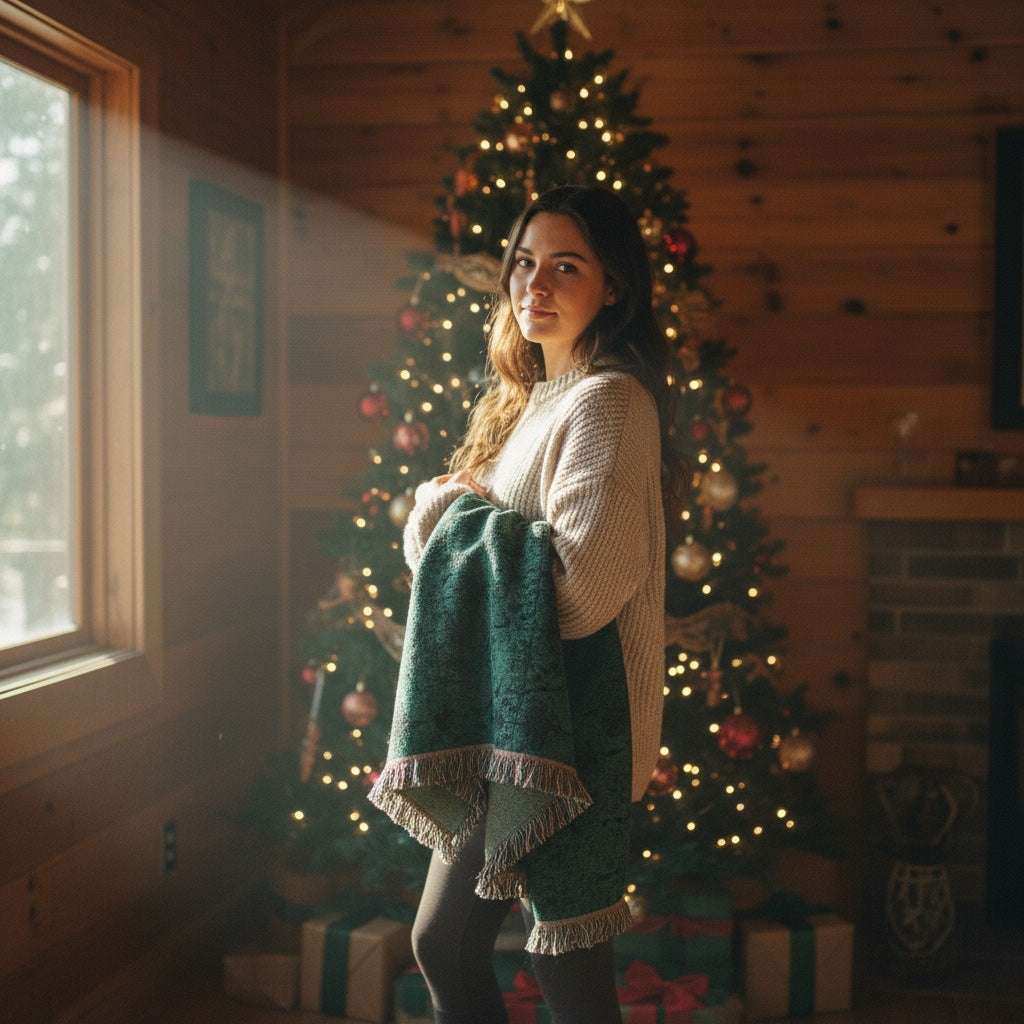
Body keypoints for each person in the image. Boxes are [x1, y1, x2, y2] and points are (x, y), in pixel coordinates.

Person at [400, 184, 688, 1024]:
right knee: (452, 948)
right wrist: (446, 520)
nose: (536, 283)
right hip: (509, 723)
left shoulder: (610, 404)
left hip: (571, 732)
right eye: (525, 263)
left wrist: (445, 510)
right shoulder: (530, 403)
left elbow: (578, 593)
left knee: (556, 970)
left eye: (567, 265)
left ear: (615, 287)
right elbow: (440, 569)